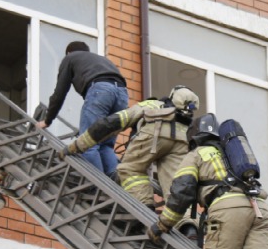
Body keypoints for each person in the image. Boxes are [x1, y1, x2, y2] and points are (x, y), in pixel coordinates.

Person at [151, 113, 268, 249]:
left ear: (193, 137)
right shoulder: (232, 154)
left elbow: (182, 191)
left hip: (228, 208)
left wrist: (163, 224)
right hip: (260, 206)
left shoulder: (197, 154)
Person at [64, 86, 199, 208]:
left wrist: (77, 145)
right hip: (182, 141)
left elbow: (112, 122)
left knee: (131, 170)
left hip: (154, 134)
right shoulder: (188, 123)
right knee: (175, 184)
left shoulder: (152, 105)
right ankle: (187, 226)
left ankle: (146, 207)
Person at [38, 41, 128, 176]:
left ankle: (98, 187)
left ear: (69, 52)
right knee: (106, 146)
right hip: (122, 95)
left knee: (88, 143)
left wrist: (48, 120)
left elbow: (60, 92)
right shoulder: (101, 60)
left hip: (101, 90)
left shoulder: (70, 58)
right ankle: (115, 187)